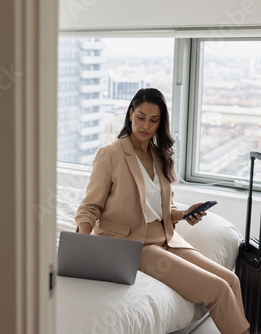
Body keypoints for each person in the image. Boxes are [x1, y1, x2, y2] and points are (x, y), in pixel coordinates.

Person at [75, 88, 250, 334]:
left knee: (231, 280)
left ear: (161, 123)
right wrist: (84, 241)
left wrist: (185, 213)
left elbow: (164, 208)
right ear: (130, 114)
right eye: (141, 117)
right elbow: (90, 206)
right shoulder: (110, 155)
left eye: (153, 120)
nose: (146, 125)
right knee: (217, 289)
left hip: (166, 237)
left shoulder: (160, 156)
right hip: (134, 244)